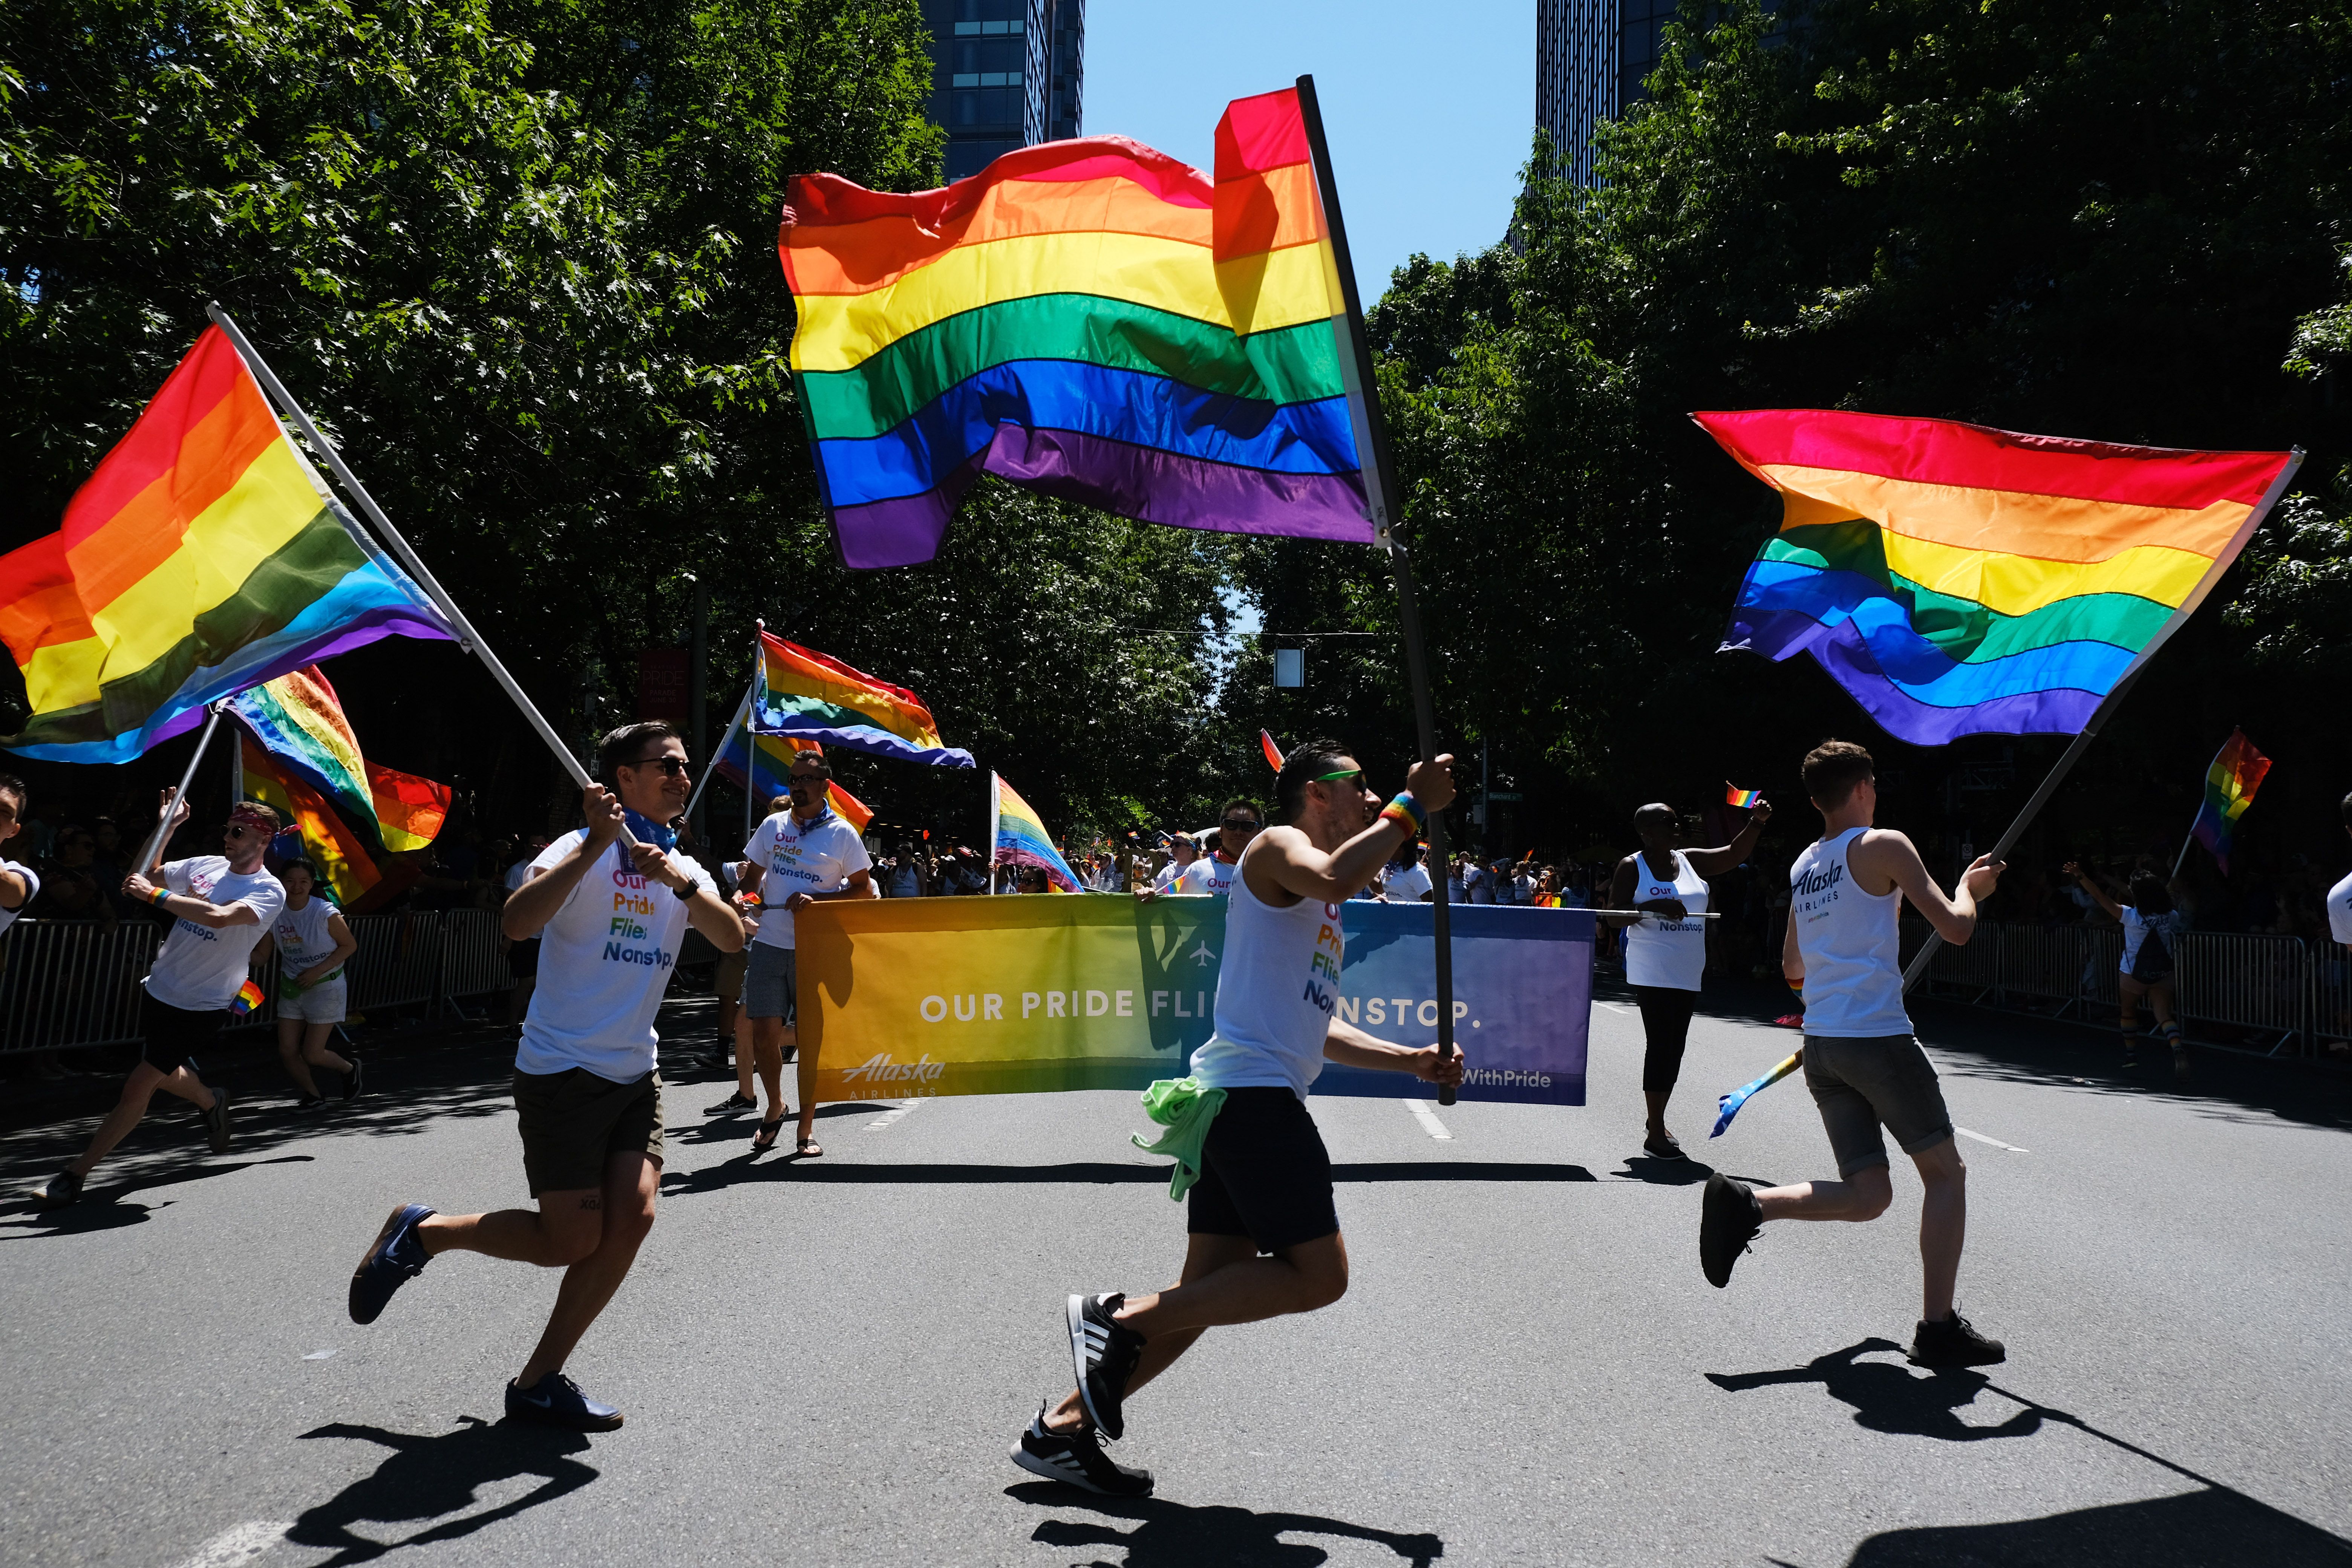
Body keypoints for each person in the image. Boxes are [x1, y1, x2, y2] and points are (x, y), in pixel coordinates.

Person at [1015, 741, 1464, 1496]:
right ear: (1319, 794)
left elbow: (1316, 1027)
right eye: (1360, 785)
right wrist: (1413, 804)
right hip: (1252, 1103)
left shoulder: (1316, 902)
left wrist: (1409, 1059)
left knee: (1198, 1300)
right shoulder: (1282, 846)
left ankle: (1059, 1430)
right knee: (1320, 1277)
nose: (1371, 794)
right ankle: (1115, 1316)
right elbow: (1336, 871)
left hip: (1240, 1101)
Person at [344, 723, 744, 1431]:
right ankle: (425, 1232)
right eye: (668, 766)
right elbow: (519, 923)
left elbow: (730, 937)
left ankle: (538, 1383)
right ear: (623, 777)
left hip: (635, 1072)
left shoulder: (681, 862)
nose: (683, 777)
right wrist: (595, 844)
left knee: (636, 1218)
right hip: (564, 1068)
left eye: (684, 768)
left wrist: (677, 882)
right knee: (569, 1242)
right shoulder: (576, 847)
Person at [1699, 740, 2006, 1369]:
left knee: (1870, 1194)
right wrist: (1972, 887)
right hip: (1877, 1038)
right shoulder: (1884, 845)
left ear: (1816, 800)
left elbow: (1791, 965)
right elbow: (1956, 926)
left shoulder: (1806, 864)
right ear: (1865, 786)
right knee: (1946, 1175)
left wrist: (1837, 983)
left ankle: (1750, 1204)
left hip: (1824, 1045)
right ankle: (1938, 1327)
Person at [32, 796, 287, 1208]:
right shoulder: (205, 864)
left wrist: (156, 896)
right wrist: (167, 826)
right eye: (226, 828)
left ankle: (75, 1173)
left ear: (264, 838)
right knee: (162, 1067)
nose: (227, 836)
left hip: (205, 1002)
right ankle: (211, 1099)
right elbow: (144, 874)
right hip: (161, 987)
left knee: (141, 1082)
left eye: (237, 831)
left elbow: (219, 916)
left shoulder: (267, 889)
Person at [1603, 797, 1772, 1159]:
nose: (1676, 825)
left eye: (1676, 819)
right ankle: (1655, 1132)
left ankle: (1656, 1120)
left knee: (1675, 1047)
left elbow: (1732, 855)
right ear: (1647, 833)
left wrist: (1756, 823)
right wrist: (1652, 907)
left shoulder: (1689, 860)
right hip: (1651, 968)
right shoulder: (1633, 867)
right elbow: (1613, 917)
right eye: (1668, 821)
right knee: (1662, 1043)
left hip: (1687, 968)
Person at [735, 754, 873, 1157]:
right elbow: (751, 881)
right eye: (793, 778)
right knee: (764, 1038)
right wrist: (745, 901)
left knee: (811, 1041)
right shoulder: (773, 825)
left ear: (825, 784)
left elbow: (864, 890)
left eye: (807, 779)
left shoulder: (843, 834)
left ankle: (806, 1128)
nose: (797, 785)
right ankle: (775, 1105)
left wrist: (820, 899)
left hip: (814, 949)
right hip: (769, 944)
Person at [251, 858, 363, 1107]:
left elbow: (350, 945)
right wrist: (233, 952)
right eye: (290, 881)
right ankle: (313, 1095)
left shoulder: (324, 911)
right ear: (281, 882)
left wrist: (316, 971)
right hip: (292, 987)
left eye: (303, 881)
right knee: (287, 1050)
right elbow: (261, 957)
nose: (296, 886)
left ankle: (348, 1068)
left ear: (312, 884)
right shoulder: (275, 913)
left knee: (312, 1054)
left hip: (326, 986)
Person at [2063, 861, 2187, 1075]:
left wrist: (2081, 876)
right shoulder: (2171, 916)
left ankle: (2131, 1056)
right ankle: (2176, 1046)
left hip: (2132, 973)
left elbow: (2101, 897)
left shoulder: (2130, 916)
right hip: (2162, 972)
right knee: (2164, 1015)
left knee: (2128, 1012)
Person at [501, 836, 549, 1031]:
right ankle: (512, 1024)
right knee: (526, 981)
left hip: (542, 935)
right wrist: (508, 939)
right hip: (523, 935)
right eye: (533, 847)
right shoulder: (517, 871)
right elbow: (510, 906)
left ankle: (533, 1025)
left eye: (541, 847)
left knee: (540, 983)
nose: (537, 850)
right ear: (526, 849)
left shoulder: (548, 869)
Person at [1176, 800, 1262, 897]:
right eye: (1231, 824)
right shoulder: (1196, 870)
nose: (1238, 832)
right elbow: (1173, 907)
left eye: (1248, 826)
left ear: (1260, 833)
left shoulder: (1272, 873)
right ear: (1221, 831)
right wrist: (1155, 901)